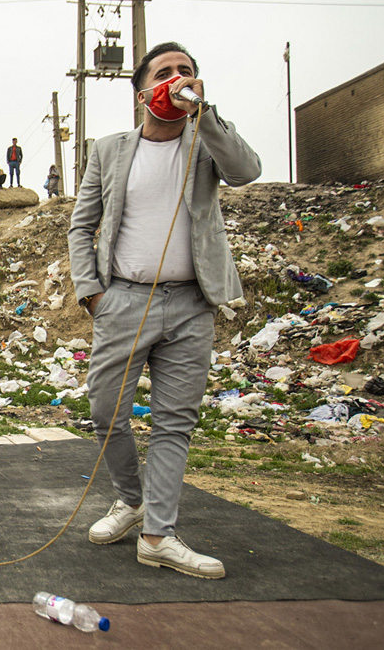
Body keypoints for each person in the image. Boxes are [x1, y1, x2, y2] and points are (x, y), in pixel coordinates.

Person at [67, 42, 261, 579]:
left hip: (193, 305)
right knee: (108, 413)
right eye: (166, 72)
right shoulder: (108, 149)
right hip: (123, 300)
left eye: (188, 71)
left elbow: (247, 171)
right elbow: (82, 226)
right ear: (141, 91)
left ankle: (158, 534)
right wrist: (93, 294)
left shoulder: (207, 143)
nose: (178, 79)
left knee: (175, 423)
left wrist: (205, 113)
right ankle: (130, 501)